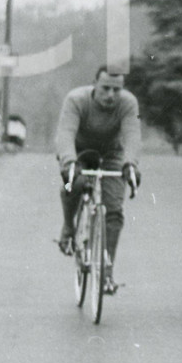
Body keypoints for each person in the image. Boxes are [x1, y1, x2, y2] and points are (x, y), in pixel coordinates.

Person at [54, 64, 142, 294]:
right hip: (79, 151)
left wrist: (131, 164)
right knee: (76, 183)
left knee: (114, 210)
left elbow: (132, 135)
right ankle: (69, 227)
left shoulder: (128, 103)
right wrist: (68, 162)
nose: (111, 95)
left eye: (116, 89)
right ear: (94, 85)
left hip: (111, 154)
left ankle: (106, 272)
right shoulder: (77, 100)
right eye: (105, 88)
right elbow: (65, 133)